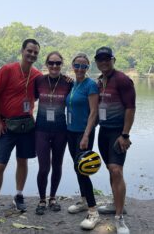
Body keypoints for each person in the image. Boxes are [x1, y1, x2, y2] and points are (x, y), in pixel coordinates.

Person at [0, 39, 42, 225]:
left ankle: (18, 195)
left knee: (22, 161)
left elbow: (49, 88)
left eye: (35, 52)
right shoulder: (7, 70)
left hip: (26, 126)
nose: (32, 55)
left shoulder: (37, 76)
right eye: (29, 51)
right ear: (22, 51)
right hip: (6, 126)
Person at [94, 47, 136, 234]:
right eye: (100, 59)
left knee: (116, 170)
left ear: (113, 59)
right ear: (97, 61)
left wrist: (125, 134)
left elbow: (130, 108)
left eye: (107, 59)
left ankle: (119, 217)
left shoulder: (122, 80)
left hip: (118, 133)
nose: (104, 62)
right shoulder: (99, 82)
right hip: (103, 132)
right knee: (111, 170)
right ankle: (115, 204)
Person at [34, 51, 72, 215]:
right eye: (51, 63)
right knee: (43, 167)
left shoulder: (68, 83)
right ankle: (42, 199)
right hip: (41, 129)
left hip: (60, 130)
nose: (54, 66)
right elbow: (29, 97)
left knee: (57, 165)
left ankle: (53, 198)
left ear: (62, 64)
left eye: (58, 63)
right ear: (46, 64)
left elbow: (78, 100)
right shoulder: (39, 80)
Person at [66, 53, 100, 230]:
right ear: (72, 66)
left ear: (88, 68)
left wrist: (87, 135)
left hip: (84, 133)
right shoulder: (73, 84)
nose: (80, 69)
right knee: (76, 167)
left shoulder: (91, 85)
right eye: (77, 65)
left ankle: (93, 212)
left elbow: (94, 112)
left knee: (83, 169)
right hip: (70, 132)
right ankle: (84, 200)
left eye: (84, 66)